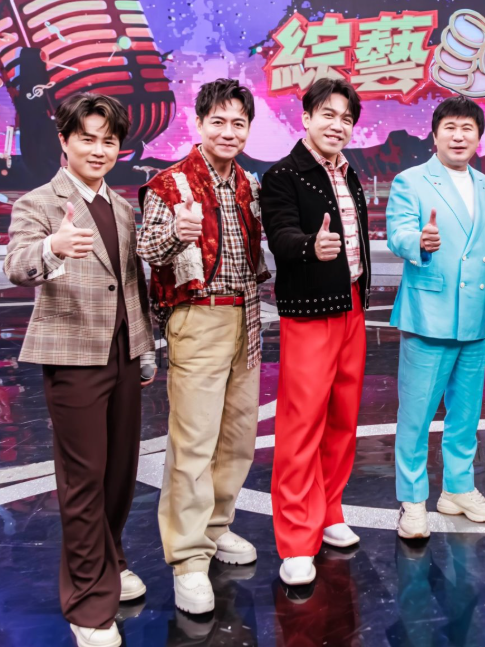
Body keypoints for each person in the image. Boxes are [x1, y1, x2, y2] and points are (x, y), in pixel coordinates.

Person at [4, 93, 154, 647]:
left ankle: (110, 561)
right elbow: (17, 264)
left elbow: (132, 285)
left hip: (125, 353)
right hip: (73, 358)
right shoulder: (40, 202)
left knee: (120, 473)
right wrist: (53, 246)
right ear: (64, 141)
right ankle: (88, 602)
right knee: (84, 477)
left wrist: (146, 348)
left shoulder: (123, 208)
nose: (98, 149)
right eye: (86, 138)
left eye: (108, 141)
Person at [138, 78, 270, 614]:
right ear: (198, 124)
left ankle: (216, 528)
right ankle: (189, 559)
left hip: (248, 317)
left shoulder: (250, 185)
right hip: (197, 318)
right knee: (193, 443)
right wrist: (179, 232)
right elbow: (147, 248)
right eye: (218, 121)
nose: (228, 131)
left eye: (239, 122)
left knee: (237, 439)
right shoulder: (169, 184)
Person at [260, 77, 370, 586]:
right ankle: (296, 539)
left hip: (351, 306)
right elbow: (280, 234)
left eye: (346, 118)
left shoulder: (350, 172)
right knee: (301, 426)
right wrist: (311, 246)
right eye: (328, 114)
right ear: (306, 117)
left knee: (342, 420)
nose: (337, 125)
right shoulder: (283, 174)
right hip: (309, 313)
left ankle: (329, 511)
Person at [386, 95, 485, 539]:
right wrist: (419, 240)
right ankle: (412, 500)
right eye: (450, 127)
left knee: (466, 415)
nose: (458, 136)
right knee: (415, 417)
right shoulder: (411, 181)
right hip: (428, 315)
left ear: (479, 137)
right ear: (434, 135)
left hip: (474, 320)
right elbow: (398, 233)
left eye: (467, 128)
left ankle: (458, 488)